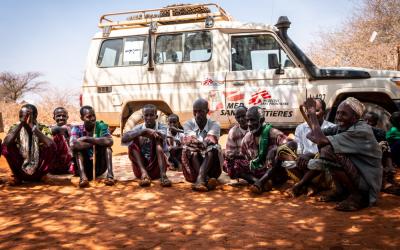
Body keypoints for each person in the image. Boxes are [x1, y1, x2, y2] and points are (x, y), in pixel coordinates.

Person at [303, 97, 382, 211]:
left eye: (344, 114)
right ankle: (341, 191)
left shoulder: (360, 131)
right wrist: (317, 130)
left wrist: (312, 115)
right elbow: (311, 135)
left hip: (366, 184)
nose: (339, 117)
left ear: (355, 117)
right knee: (326, 148)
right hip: (358, 177)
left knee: (328, 150)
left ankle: (358, 197)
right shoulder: (343, 127)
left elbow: (319, 139)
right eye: (338, 113)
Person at [287, 98, 335, 196]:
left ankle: (299, 185)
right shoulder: (300, 128)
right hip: (304, 165)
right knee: (283, 151)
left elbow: (328, 151)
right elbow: (299, 150)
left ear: (324, 112)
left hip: (321, 170)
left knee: (321, 157)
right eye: (309, 111)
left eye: (316, 111)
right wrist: (301, 156)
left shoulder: (332, 128)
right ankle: (310, 185)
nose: (311, 114)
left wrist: (310, 155)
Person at [2, 104, 56, 185]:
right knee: (5, 147)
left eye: (27, 116)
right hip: (20, 168)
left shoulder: (43, 127)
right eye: (21, 116)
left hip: (39, 169)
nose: (24, 119)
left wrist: (33, 127)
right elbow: (6, 144)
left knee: (51, 146)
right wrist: (21, 124)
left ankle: (43, 176)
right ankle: (16, 177)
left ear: (35, 116)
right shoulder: (15, 127)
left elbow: (51, 145)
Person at [241, 106, 290, 194]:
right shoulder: (247, 138)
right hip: (257, 171)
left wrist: (275, 149)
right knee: (231, 163)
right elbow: (244, 157)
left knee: (278, 154)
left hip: (275, 173)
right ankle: (261, 182)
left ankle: (260, 183)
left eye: (252, 120)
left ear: (262, 120)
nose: (249, 124)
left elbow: (292, 144)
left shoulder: (274, 133)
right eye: (247, 120)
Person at [121, 104, 172, 187]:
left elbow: (162, 135)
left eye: (151, 115)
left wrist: (149, 133)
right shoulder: (138, 127)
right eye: (146, 115)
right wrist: (143, 131)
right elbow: (124, 138)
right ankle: (144, 174)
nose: (148, 118)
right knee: (133, 144)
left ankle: (163, 175)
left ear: (156, 117)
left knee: (158, 141)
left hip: (157, 169)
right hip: (141, 169)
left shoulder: (162, 126)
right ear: (142, 117)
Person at [182, 98, 222, 192]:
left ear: (207, 111)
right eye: (195, 111)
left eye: (200, 111)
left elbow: (211, 139)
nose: (197, 114)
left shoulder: (215, 124)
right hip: (194, 161)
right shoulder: (188, 124)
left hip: (211, 164)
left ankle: (200, 179)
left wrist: (202, 143)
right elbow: (191, 140)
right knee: (193, 152)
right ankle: (205, 179)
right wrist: (200, 144)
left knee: (212, 149)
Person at [70, 106, 115, 188]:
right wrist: (97, 142)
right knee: (78, 150)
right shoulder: (76, 129)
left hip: (99, 166)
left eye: (93, 115)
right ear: (82, 118)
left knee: (107, 147)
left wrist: (87, 138)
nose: (93, 118)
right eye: (88, 117)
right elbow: (73, 145)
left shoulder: (101, 126)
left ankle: (110, 176)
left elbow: (110, 141)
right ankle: (83, 178)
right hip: (85, 166)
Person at [223, 106, 258, 183]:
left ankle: (252, 179)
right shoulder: (233, 132)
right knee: (228, 164)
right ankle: (255, 180)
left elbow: (256, 153)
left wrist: (237, 155)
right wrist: (229, 155)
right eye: (238, 117)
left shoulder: (256, 129)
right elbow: (229, 152)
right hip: (241, 162)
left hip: (254, 160)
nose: (241, 119)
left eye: (243, 116)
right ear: (235, 118)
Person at [364, 111, 396, 188]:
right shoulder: (359, 130)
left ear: (375, 123)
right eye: (365, 120)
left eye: (370, 121)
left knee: (384, 145)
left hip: (376, 154)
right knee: (384, 145)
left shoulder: (378, 132)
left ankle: (388, 169)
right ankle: (389, 167)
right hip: (365, 153)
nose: (367, 123)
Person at [49, 107, 73, 175]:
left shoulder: (72, 128)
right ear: (54, 117)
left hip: (69, 163)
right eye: (58, 116)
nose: (61, 118)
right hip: (53, 164)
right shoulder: (49, 129)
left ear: (67, 117)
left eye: (64, 116)